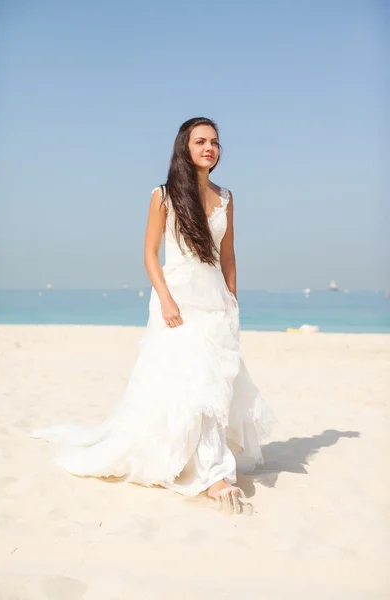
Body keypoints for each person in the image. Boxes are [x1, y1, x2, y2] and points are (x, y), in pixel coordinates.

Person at [31, 117, 275, 513]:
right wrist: (165, 299)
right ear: (185, 147)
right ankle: (214, 475)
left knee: (213, 382)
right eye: (200, 141)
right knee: (190, 379)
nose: (209, 148)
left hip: (214, 301)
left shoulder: (226, 196)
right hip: (176, 299)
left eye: (214, 142)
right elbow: (149, 253)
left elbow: (227, 256)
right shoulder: (163, 195)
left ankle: (204, 462)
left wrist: (233, 301)